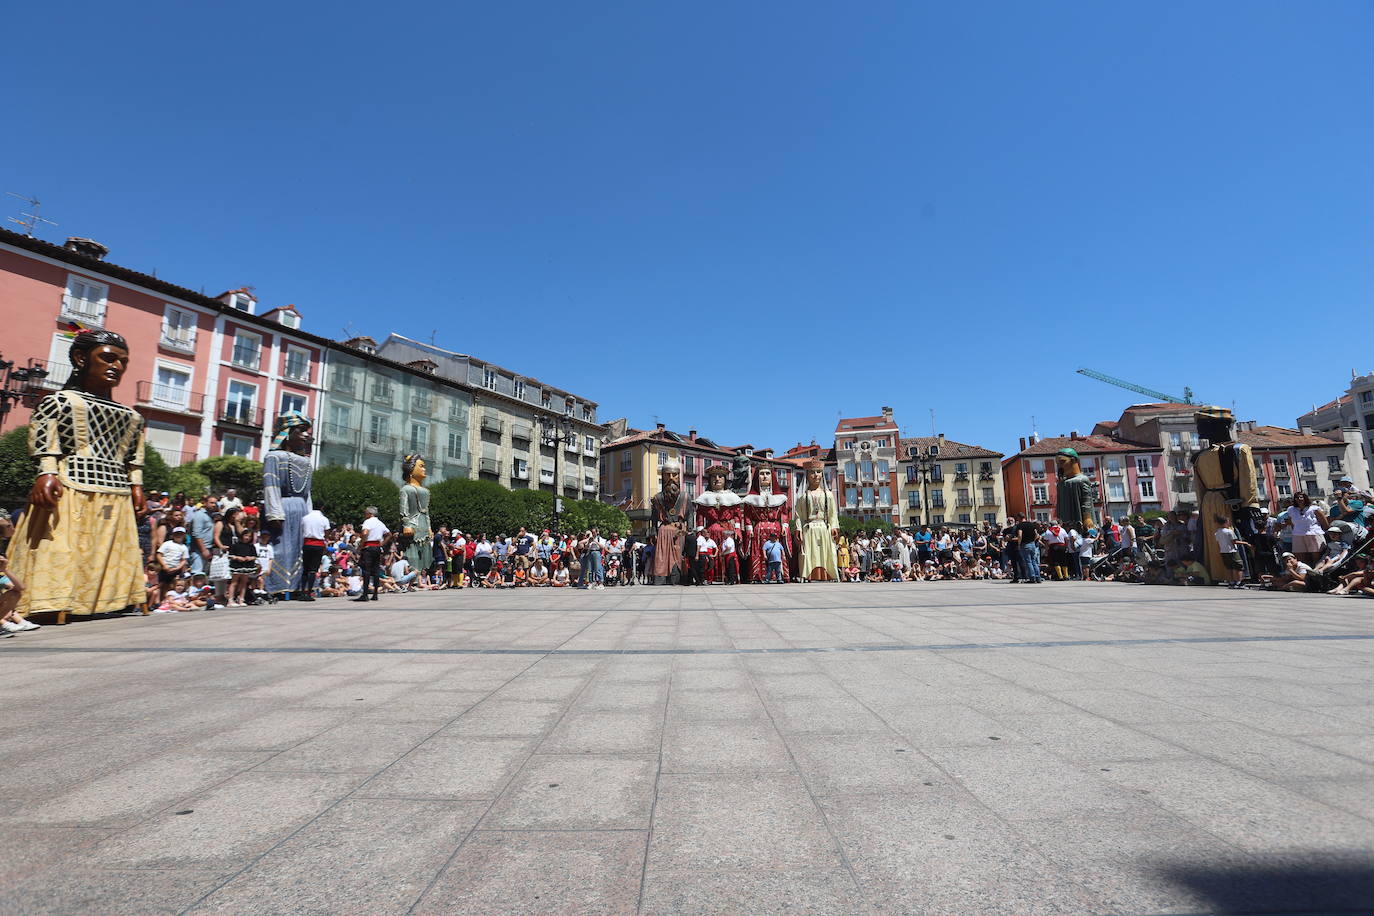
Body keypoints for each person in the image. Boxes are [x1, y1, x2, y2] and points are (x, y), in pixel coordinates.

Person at [6, 329, 149, 624]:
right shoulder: (59, 401)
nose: (117, 367)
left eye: (123, 362)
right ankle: (52, 602)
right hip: (69, 483)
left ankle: (103, 601)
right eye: (108, 358)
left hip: (116, 489)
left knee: (109, 551)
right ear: (81, 358)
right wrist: (46, 472)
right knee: (60, 547)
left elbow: (133, 454)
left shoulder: (132, 415)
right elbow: (47, 438)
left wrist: (136, 485)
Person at [262, 411, 315, 597]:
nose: (306, 435)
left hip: (301, 509)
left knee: (300, 550)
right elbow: (271, 486)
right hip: (282, 507)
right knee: (281, 549)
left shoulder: (306, 462)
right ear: (287, 432)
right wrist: (274, 513)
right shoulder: (273, 457)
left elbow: (308, 494)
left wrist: (311, 517)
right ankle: (277, 587)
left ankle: (298, 587)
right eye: (301, 430)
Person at [399, 454, 433, 577]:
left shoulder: (426, 491)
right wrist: (406, 524)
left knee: (425, 553)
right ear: (411, 469)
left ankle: (421, 577)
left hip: (424, 525)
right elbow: (404, 509)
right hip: (412, 525)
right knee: (412, 552)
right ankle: (410, 577)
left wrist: (429, 527)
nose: (424, 469)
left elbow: (426, 511)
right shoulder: (406, 489)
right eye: (421, 466)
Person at [1282, 492, 1329, 568]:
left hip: (1313, 533)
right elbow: (1292, 522)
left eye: (1301, 497)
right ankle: (1304, 573)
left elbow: (1324, 523)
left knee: (1316, 557)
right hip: (1298, 535)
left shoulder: (1314, 508)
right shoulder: (1291, 509)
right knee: (1300, 557)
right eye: (1297, 498)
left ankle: (1316, 572)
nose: (1299, 499)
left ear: (1305, 498)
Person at [355, 506, 390, 602]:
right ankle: (375, 594)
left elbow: (365, 533)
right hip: (377, 547)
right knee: (376, 571)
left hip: (368, 547)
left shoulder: (368, 522)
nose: (364, 515)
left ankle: (365, 594)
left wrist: (361, 544)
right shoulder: (380, 523)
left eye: (365, 513)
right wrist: (382, 543)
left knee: (366, 570)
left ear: (370, 514)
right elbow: (388, 534)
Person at [298, 503, 331, 601]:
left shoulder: (305, 518)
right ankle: (309, 592)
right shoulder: (324, 519)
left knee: (305, 568)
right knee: (313, 569)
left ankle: (303, 591)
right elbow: (327, 533)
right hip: (318, 544)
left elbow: (302, 530)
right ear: (322, 507)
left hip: (307, 543)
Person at [157, 527, 191, 605]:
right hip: (164, 567)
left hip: (176, 569)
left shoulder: (184, 547)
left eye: (181, 534)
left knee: (172, 586)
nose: (178, 536)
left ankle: (170, 600)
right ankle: (159, 601)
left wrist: (177, 568)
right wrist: (164, 565)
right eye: (176, 534)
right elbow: (159, 554)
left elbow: (184, 560)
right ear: (173, 535)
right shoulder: (167, 543)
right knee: (162, 585)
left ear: (184, 535)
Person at [226, 528, 260, 606]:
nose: (247, 538)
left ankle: (241, 599)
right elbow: (230, 555)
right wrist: (238, 558)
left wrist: (249, 558)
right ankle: (230, 600)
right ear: (242, 536)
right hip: (237, 565)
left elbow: (255, 556)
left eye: (249, 536)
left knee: (244, 582)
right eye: (246, 535)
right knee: (234, 582)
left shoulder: (251, 546)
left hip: (247, 565)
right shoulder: (236, 545)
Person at [1215, 518, 1248, 589]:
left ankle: (1231, 582)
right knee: (1239, 566)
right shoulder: (1229, 531)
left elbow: (1218, 543)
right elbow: (1234, 542)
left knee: (1229, 567)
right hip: (1232, 551)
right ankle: (1239, 582)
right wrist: (1245, 543)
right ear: (1225, 522)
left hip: (1223, 551)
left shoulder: (1217, 532)